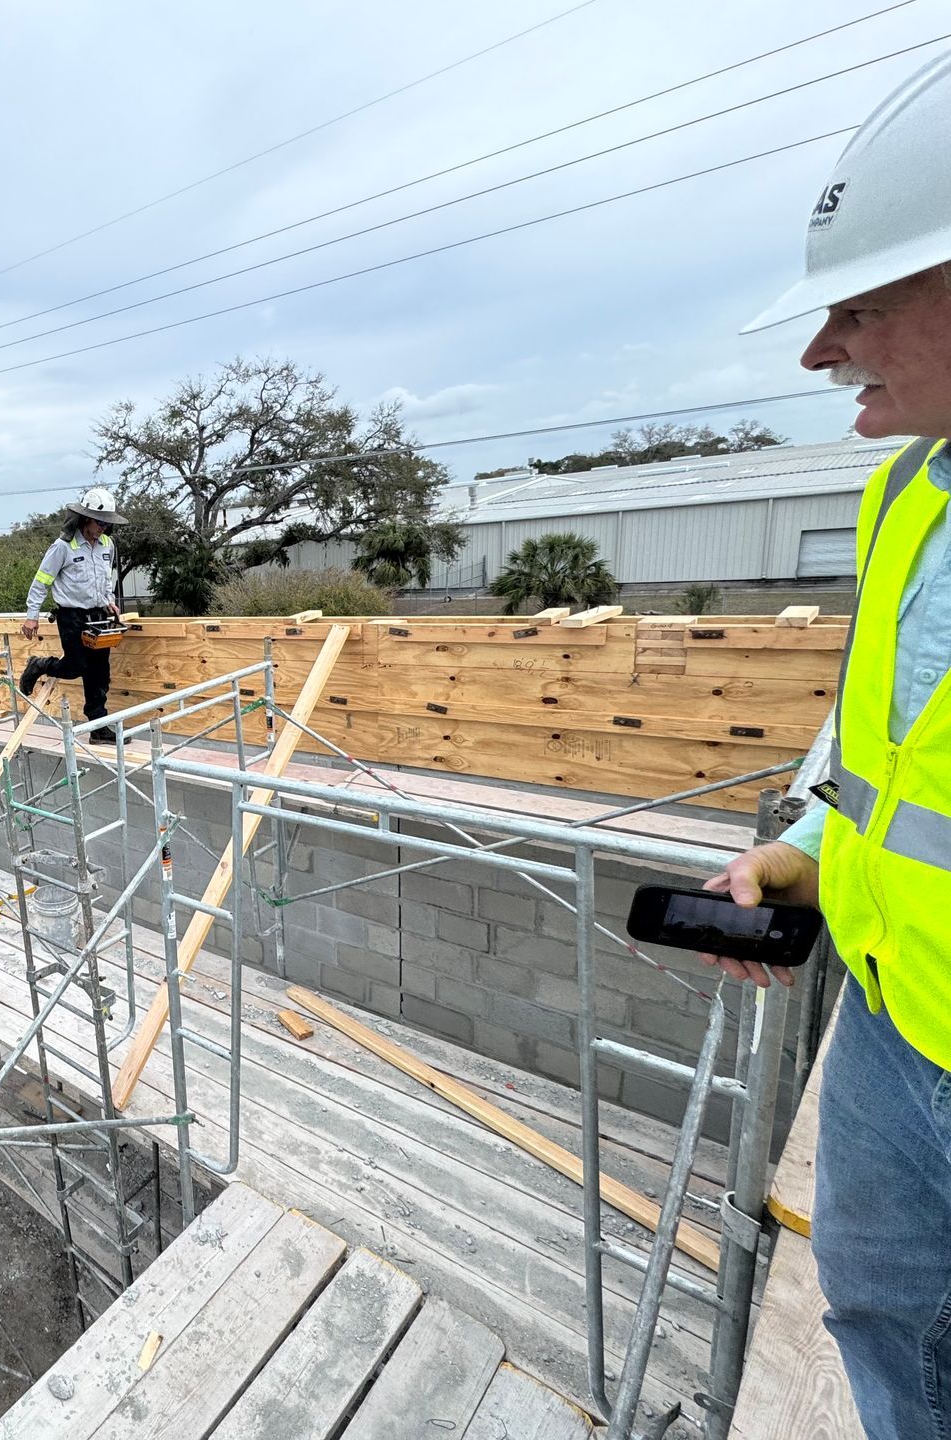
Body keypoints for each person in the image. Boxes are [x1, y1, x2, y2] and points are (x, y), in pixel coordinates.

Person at [706, 52, 951, 1440]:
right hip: (886, 1019)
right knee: (889, 1330)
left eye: (860, 304)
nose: (820, 350)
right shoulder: (906, 494)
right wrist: (804, 852)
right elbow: (884, 753)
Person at [19, 486, 125, 743]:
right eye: (99, 522)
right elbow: (41, 580)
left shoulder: (107, 544)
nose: (103, 527)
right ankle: (39, 665)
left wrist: (109, 601)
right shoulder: (63, 547)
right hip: (72, 617)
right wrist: (32, 615)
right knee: (77, 665)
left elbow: (105, 579)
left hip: (98, 615)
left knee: (100, 674)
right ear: (86, 518)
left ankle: (99, 728)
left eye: (107, 523)